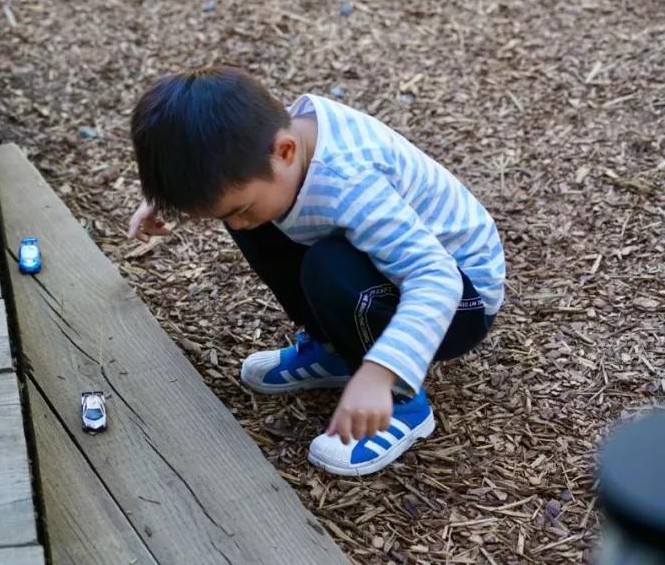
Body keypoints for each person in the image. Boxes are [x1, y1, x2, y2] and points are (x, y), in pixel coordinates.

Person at [127, 66, 505, 475]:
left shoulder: (348, 182)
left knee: (329, 264)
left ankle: (403, 404)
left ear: (285, 151)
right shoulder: (269, 146)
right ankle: (339, 352)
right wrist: (172, 198)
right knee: (260, 218)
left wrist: (381, 374)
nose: (235, 223)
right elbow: (211, 168)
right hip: (403, 275)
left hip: (460, 303)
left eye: (238, 208)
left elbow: (436, 279)